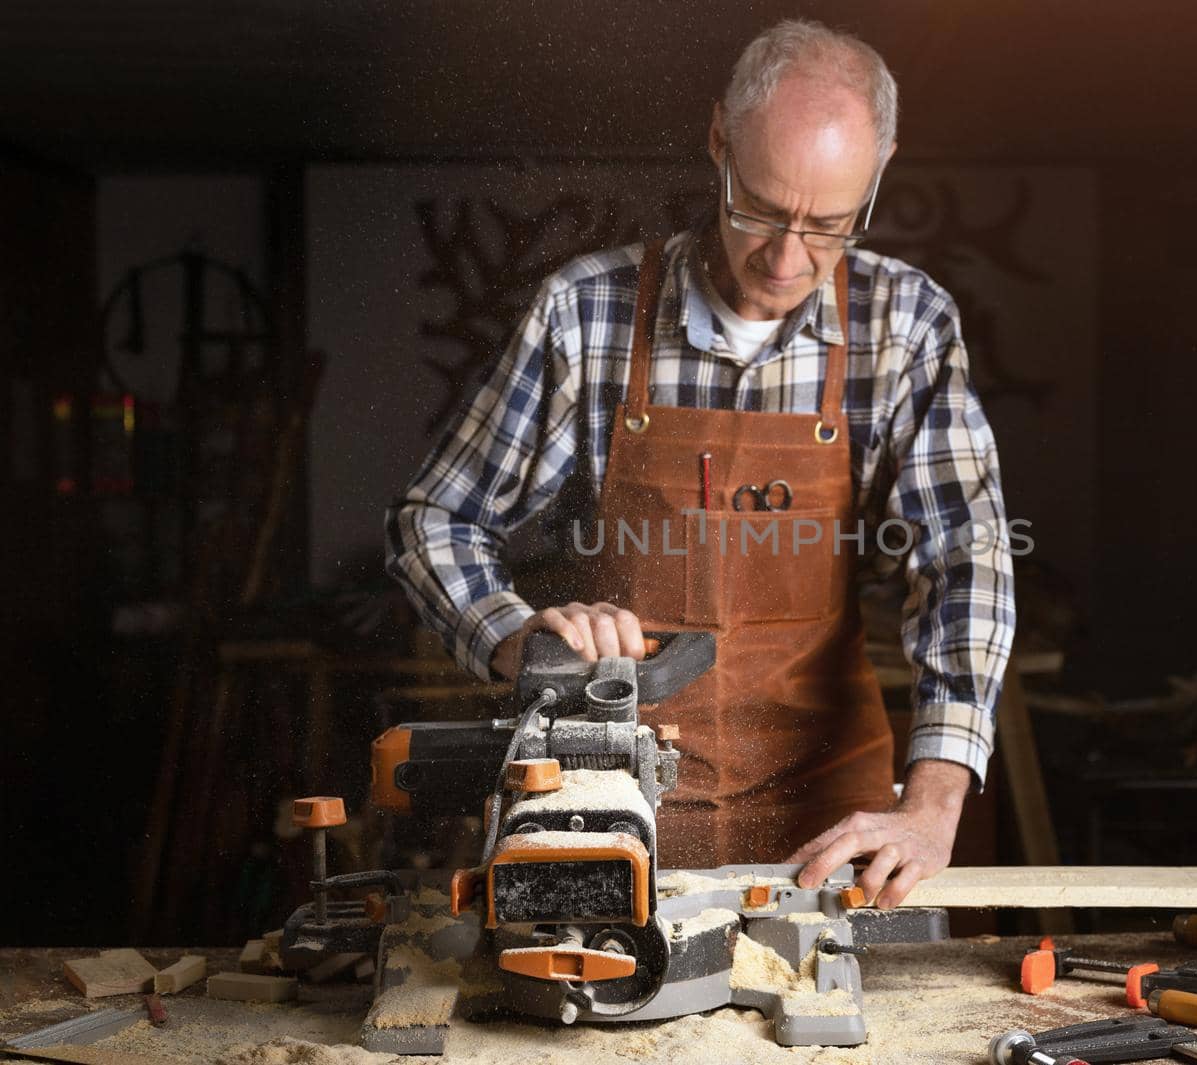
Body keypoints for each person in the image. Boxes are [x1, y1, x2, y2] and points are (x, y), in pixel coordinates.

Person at [386, 19, 1014, 909]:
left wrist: (935, 799)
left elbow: (966, 556)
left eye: (830, 225)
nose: (787, 258)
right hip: (609, 807)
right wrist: (516, 638)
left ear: (879, 174)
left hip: (835, 825)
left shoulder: (903, 326)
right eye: (758, 208)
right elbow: (431, 523)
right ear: (718, 139)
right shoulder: (586, 314)